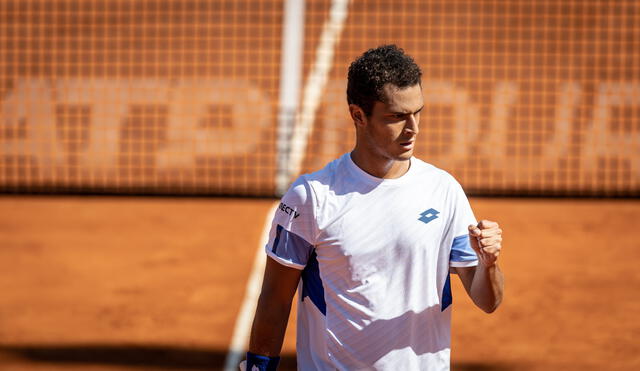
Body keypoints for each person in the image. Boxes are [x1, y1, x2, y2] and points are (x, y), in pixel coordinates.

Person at [243, 44, 504, 371]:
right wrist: (258, 367)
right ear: (358, 115)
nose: (413, 129)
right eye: (396, 117)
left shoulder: (444, 190)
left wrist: (489, 263)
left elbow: (487, 301)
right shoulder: (312, 197)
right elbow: (275, 299)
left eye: (417, 112)